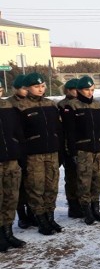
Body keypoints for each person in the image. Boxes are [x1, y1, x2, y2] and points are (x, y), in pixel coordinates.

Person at [13, 72, 64, 236]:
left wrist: (61, 150)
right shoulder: (21, 107)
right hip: (33, 155)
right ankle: (41, 220)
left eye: (42, 86)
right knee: (36, 188)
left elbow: (58, 129)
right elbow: (18, 135)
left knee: (52, 187)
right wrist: (22, 157)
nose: (41, 89)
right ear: (27, 88)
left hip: (52, 152)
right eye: (36, 86)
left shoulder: (51, 104)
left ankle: (50, 217)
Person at [62, 75, 100, 225]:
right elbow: (69, 132)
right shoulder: (72, 106)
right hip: (83, 150)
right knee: (84, 181)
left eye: (92, 89)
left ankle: (96, 208)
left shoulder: (97, 105)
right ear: (79, 90)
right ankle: (86, 210)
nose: (90, 92)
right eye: (86, 90)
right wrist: (73, 151)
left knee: (98, 180)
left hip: (99, 149)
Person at [7, 75, 36, 230]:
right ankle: (22, 215)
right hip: (17, 148)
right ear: (16, 89)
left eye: (27, 88)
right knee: (19, 185)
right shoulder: (10, 104)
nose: (26, 91)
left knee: (31, 183)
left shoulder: (32, 102)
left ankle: (32, 213)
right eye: (23, 88)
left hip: (31, 146)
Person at [0, 85, 26, 250]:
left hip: (11, 160)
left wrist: (20, 155)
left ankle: (8, 233)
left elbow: (18, 133)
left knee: (11, 198)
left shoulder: (8, 107)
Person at [57, 78, 82, 219]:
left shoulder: (83, 103)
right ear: (67, 90)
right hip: (69, 146)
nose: (77, 92)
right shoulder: (62, 105)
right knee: (72, 178)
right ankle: (73, 206)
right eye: (74, 89)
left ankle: (83, 203)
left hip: (83, 144)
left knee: (83, 177)